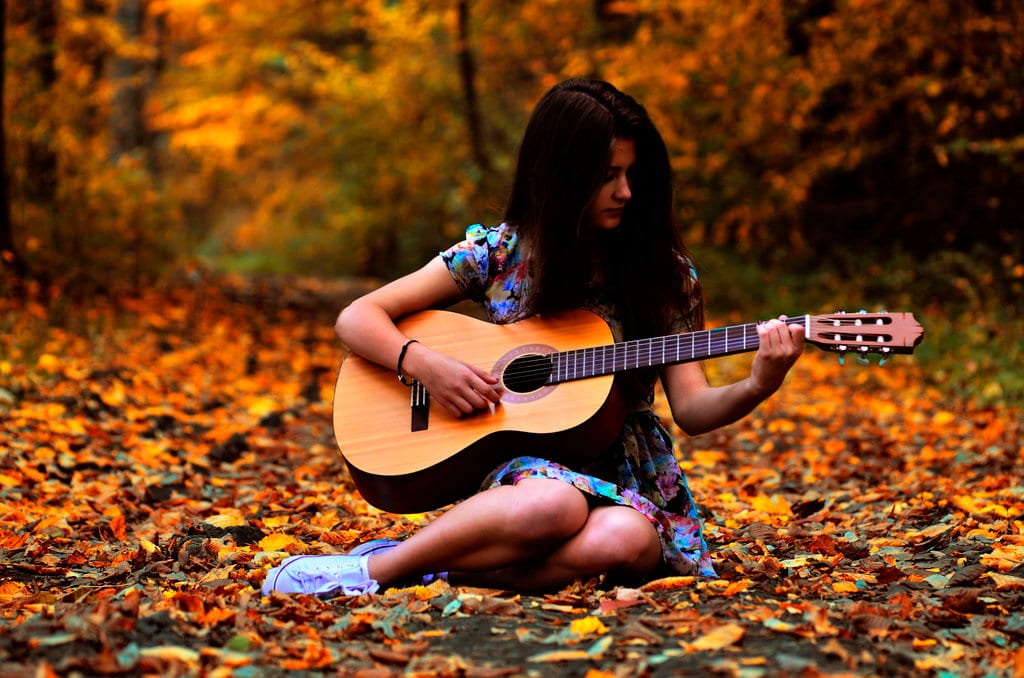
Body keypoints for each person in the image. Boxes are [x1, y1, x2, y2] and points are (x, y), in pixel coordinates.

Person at [262, 78, 804, 597]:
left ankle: (434, 573)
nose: (625, 191)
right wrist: (426, 364)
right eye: (608, 175)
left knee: (627, 540)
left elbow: (694, 409)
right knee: (553, 504)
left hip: (627, 473)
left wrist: (760, 382)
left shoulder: (663, 274)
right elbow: (357, 317)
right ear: (562, 176)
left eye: (632, 173)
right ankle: (376, 569)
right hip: (529, 467)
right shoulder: (498, 254)